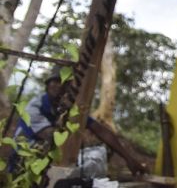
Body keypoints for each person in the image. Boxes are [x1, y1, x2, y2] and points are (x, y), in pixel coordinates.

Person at [12, 68, 148, 176]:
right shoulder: (34, 107)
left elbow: (100, 130)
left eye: (64, 82)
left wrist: (128, 158)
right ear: (47, 85)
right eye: (55, 81)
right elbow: (52, 137)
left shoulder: (67, 109)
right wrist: (81, 138)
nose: (59, 85)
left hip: (47, 162)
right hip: (23, 162)